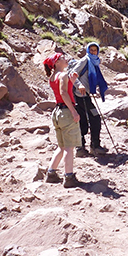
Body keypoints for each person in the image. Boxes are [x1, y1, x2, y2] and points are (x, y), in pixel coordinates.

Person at [43, 52, 82, 188]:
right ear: (57, 62)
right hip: (66, 112)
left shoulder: (53, 76)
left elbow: (63, 90)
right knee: (69, 148)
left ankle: (51, 173)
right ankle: (69, 177)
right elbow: (64, 93)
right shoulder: (63, 75)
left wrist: (71, 81)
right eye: (62, 58)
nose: (66, 59)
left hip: (57, 112)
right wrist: (73, 111)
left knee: (62, 146)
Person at [69, 41, 109, 157]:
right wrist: (79, 85)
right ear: (87, 50)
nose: (92, 52)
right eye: (90, 50)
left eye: (94, 50)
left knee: (87, 119)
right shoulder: (85, 60)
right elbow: (72, 74)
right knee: (94, 118)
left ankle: (84, 147)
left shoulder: (94, 61)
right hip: (79, 95)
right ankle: (91, 147)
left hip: (85, 95)